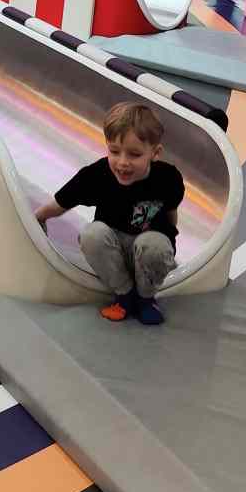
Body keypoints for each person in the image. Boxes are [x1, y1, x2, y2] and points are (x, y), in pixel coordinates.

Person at [35, 100, 183, 324]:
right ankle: (125, 295)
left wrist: (166, 250)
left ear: (155, 153)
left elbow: (172, 214)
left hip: (148, 247)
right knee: (91, 235)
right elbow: (61, 203)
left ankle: (146, 298)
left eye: (134, 154)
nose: (122, 162)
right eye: (114, 151)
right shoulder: (97, 175)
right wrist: (37, 217)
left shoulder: (168, 178)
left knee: (155, 245)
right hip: (115, 252)